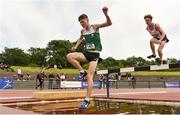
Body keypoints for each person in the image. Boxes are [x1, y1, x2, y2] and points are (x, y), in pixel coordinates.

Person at [66, 6, 112, 110]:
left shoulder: (95, 27)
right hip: (86, 53)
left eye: (83, 22)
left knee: (89, 77)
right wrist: (76, 47)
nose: (82, 24)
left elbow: (109, 23)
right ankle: (82, 71)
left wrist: (106, 13)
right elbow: (80, 39)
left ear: (87, 20)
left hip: (95, 55)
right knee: (69, 56)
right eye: (80, 23)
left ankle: (86, 99)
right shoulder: (82, 31)